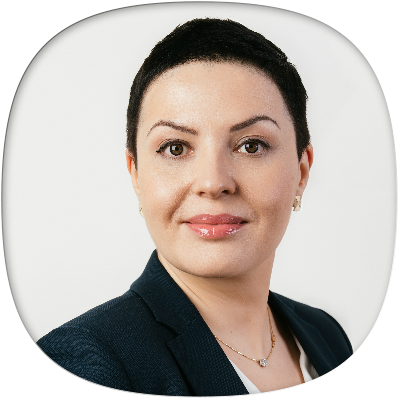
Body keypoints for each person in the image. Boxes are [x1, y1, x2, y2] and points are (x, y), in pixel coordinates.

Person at [37, 18, 353, 395]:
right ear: (136, 174)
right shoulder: (84, 364)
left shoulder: (327, 336)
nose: (213, 183)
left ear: (301, 171)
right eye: (175, 148)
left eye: (251, 145)